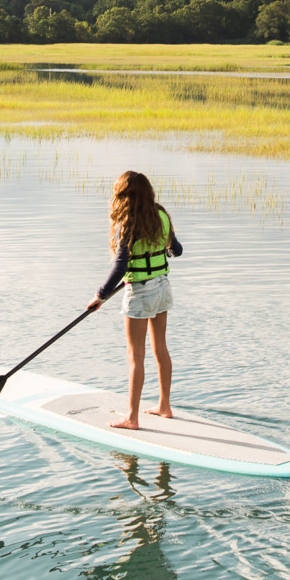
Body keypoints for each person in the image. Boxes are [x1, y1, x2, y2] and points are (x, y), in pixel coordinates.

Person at [87, 171, 183, 430]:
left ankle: (132, 417)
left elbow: (120, 267)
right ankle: (164, 406)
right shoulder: (161, 214)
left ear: (124, 195)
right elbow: (177, 250)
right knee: (160, 348)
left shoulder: (127, 222)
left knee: (135, 355)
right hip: (163, 288)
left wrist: (100, 296)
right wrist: (164, 249)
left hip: (140, 292)